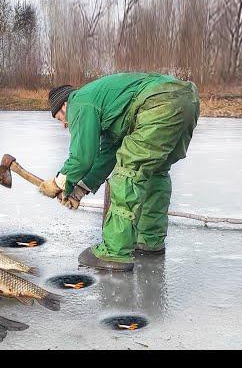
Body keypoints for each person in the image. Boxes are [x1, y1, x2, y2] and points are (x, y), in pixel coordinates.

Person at [39, 73, 199, 271]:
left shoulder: (79, 102)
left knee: (128, 173)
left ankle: (114, 252)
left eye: (60, 118)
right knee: (155, 172)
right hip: (186, 99)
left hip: (157, 103)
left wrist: (58, 183)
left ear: (64, 105)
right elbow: (108, 154)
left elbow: (82, 157)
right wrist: (79, 190)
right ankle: (150, 241)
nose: (64, 125)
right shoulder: (105, 104)